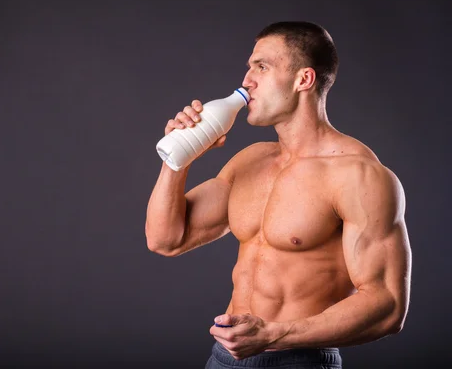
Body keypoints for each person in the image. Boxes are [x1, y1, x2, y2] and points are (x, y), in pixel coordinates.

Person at [144, 21, 411, 368]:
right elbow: (165, 239)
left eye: (262, 67)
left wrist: (274, 334)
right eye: (249, 67)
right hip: (226, 359)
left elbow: (388, 306)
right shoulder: (251, 161)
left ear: (304, 79)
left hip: (300, 360)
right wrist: (179, 158)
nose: (246, 81)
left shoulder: (358, 175)